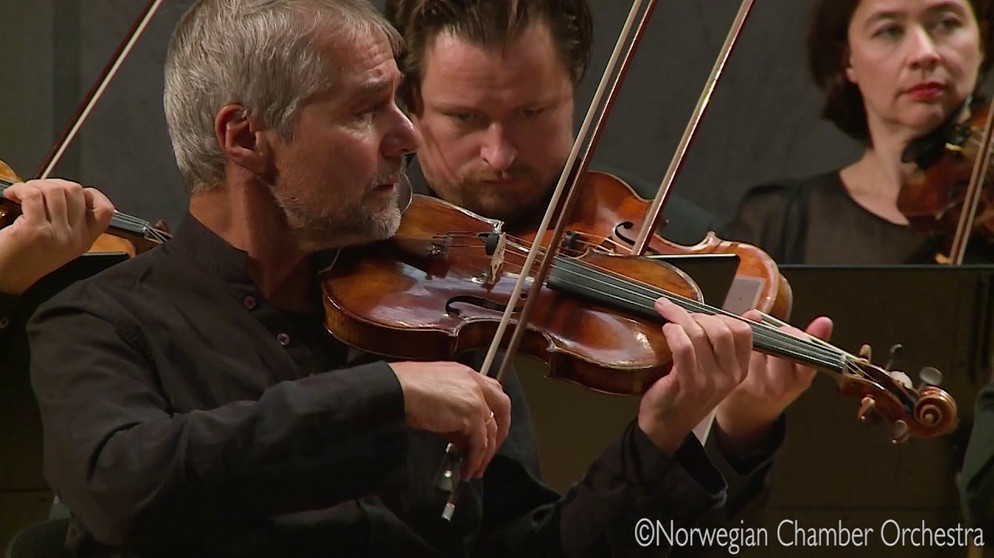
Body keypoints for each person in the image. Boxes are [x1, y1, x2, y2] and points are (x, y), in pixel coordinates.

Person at [27, 0, 801, 555]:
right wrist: (384, 396)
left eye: (402, 100)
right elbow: (123, 485)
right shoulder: (102, 321)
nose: (407, 134)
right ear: (246, 137)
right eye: (368, 110)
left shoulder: (436, 316)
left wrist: (663, 437)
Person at [383, 0, 833, 524]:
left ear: (576, 89)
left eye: (531, 113)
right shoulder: (364, 260)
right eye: (465, 118)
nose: (499, 154)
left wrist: (741, 432)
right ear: (411, 104)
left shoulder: (682, 250)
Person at [725, 0, 994, 264]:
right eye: (889, 30)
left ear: (982, 41)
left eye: (947, 23)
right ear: (848, 58)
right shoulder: (779, 224)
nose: (923, 53)